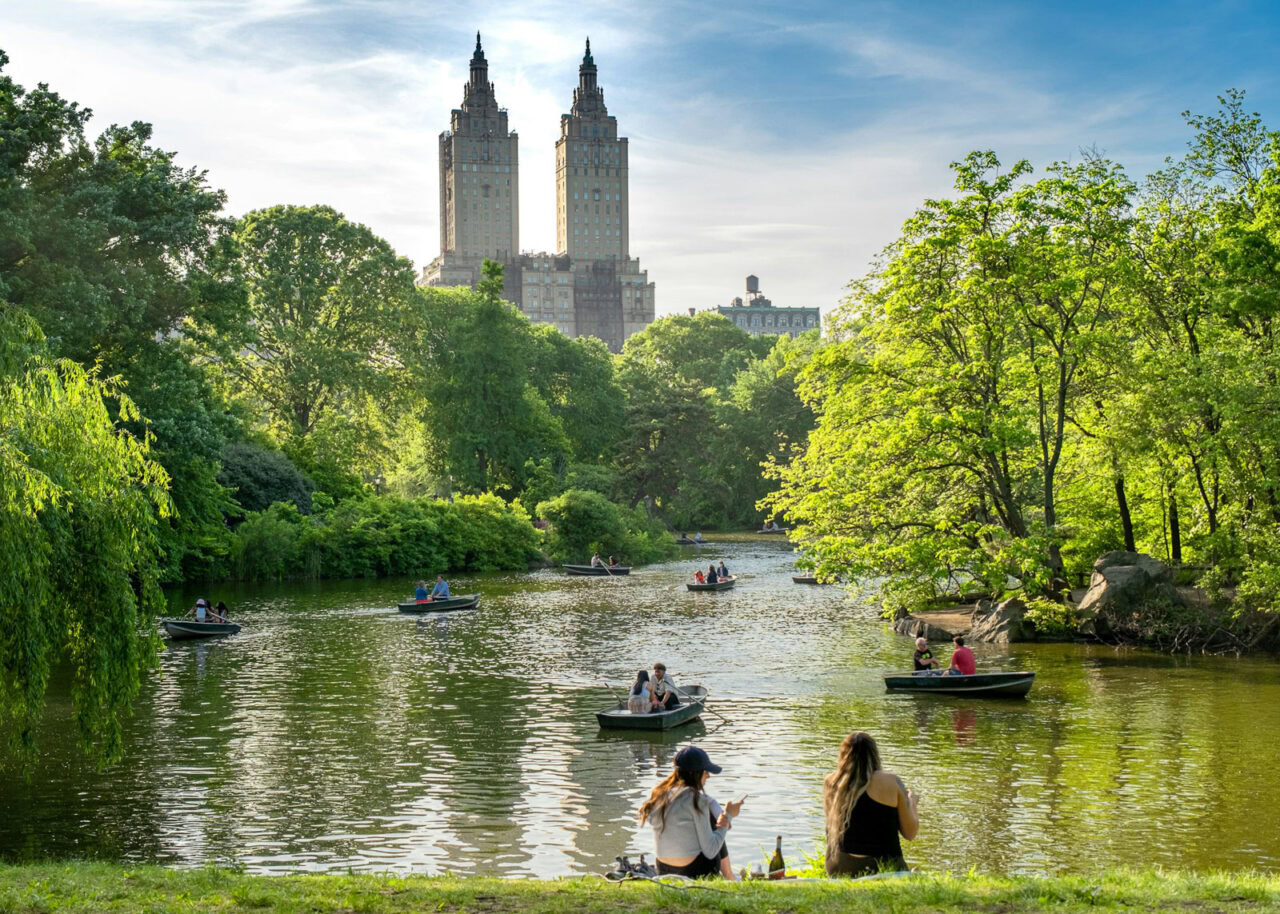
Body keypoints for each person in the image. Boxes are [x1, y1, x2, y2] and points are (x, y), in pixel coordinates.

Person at [639, 746, 743, 879]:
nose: (708, 776)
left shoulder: (658, 796)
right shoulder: (698, 801)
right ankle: (730, 877)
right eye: (706, 771)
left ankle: (730, 876)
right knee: (713, 824)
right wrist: (728, 816)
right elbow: (711, 851)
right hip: (694, 870)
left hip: (663, 869)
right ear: (697, 773)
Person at [823, 731, 918, 877]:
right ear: (874, 755)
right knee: (913, 873)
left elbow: (830, 831)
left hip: (839, 868)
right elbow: (910, 833)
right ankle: (911, 874)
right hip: (884, 866)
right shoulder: (891, 781)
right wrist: (912, 803)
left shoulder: (832, 782)